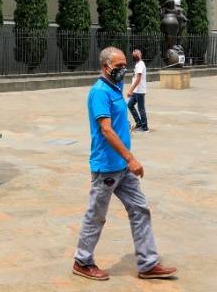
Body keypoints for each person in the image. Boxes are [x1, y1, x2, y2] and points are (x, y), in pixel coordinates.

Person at [72, 47, 176, 281]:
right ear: (105, 66)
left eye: (124, 66)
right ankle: (82, 260)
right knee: (96, 215)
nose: (122, 70)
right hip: (107, 167)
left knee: (140, 209)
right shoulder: (99, 92)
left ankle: (148, 263)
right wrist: (131, 158)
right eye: (118, 66)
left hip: (122, 167)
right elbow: (106, 130)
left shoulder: (116, 87)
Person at [126, 48, 149, 132]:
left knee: (141, 109)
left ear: (140, 55)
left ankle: (145, 128)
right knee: (130, 105)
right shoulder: (137, 64)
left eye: (137, 53)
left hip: (139, 91)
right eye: (134, 53)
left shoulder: (140, 64)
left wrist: (130, 90)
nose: (135, 54)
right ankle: (139, 123)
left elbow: (138, 79)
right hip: (136, 91)